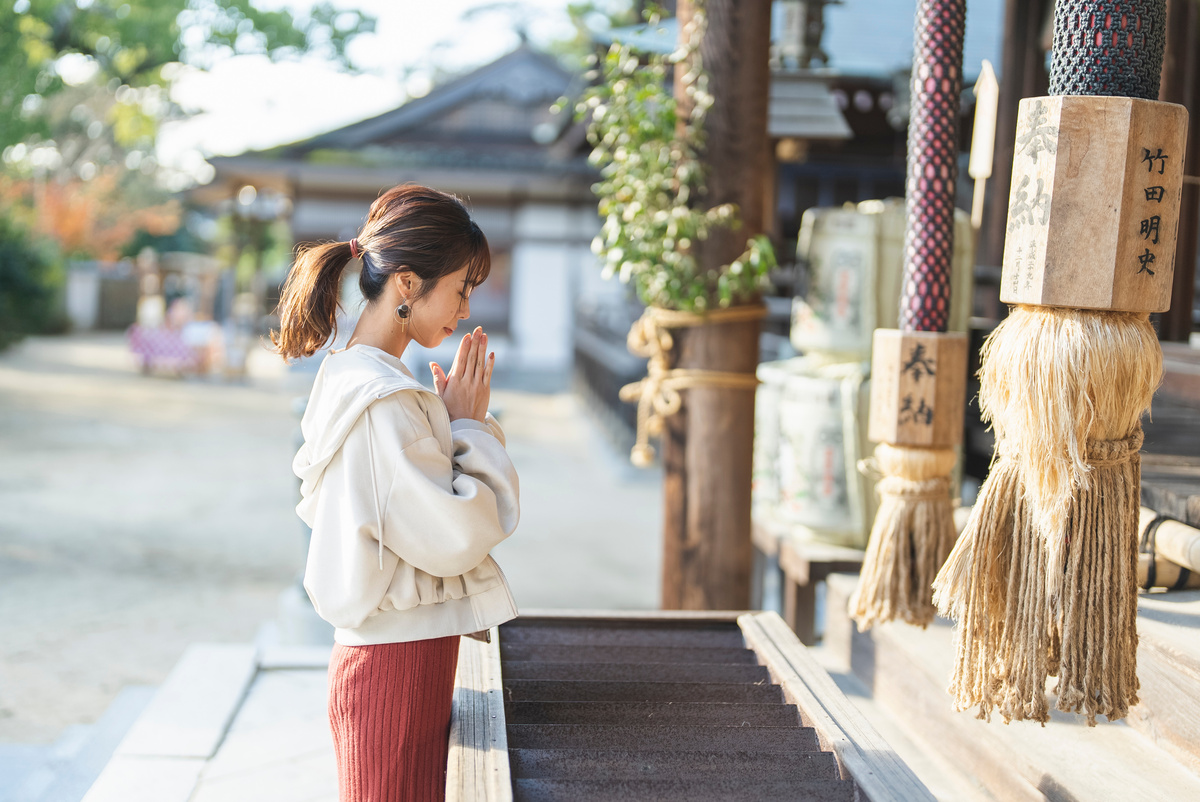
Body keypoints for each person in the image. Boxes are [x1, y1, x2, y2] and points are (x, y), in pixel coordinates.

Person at [271, 184, 520, 802]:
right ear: (408, 284)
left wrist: (453, 424)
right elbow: (454, 535)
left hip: (398, 655)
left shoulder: (356, 375)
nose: (464, 309)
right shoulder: (383, 400)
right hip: (397, 666)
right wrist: (466, 427)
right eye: (461, 288)